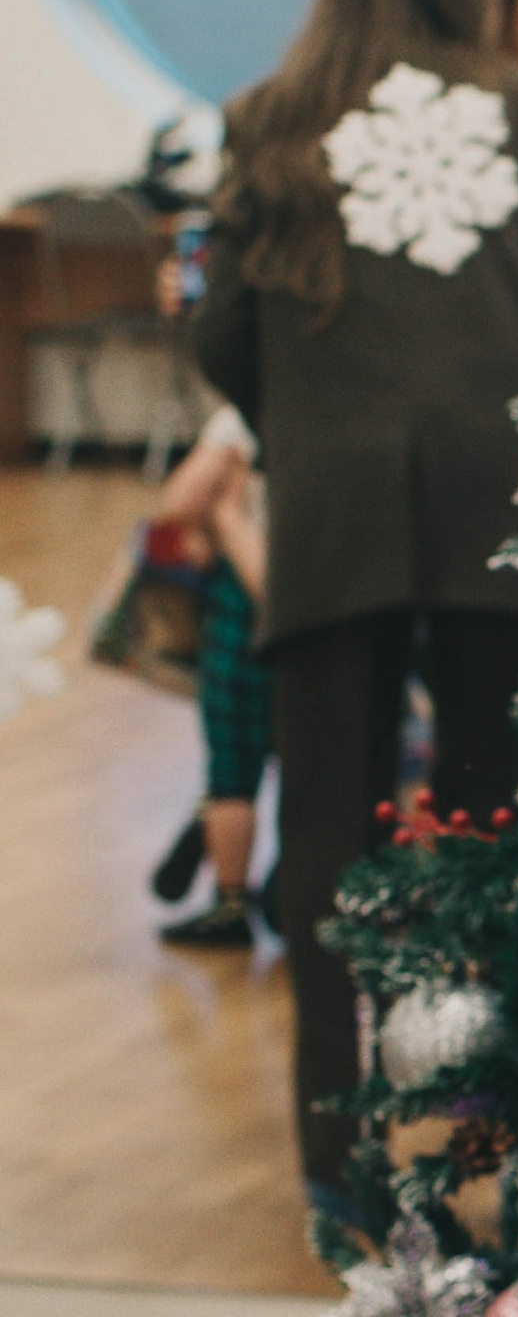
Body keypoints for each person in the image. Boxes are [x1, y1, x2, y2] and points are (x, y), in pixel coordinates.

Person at [193, 0, 518, 1217]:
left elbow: (220, 334)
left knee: (325, 839)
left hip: (332, 522)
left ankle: (336, 1160)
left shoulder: (268, 118)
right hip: (501, 510)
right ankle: (507, 1140)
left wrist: (308, 434)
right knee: (496, 828)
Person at [143, 399, 271, 949]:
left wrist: (212, 520)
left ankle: (231, 899)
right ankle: (298, 890)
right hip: (334, 603)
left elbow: (178, 501)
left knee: (233, 763)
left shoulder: (243, 415)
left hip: (245, 607)